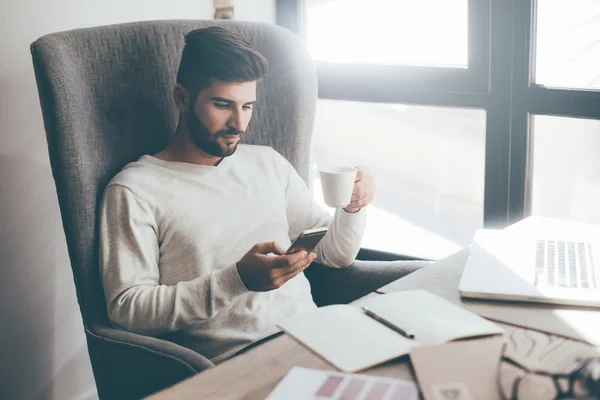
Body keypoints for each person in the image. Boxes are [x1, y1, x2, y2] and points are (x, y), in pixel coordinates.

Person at [99, 26, 376, 363]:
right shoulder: (135, 190)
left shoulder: (267, 162)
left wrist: (352, 208)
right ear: (181, 98)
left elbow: (335, 254)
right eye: (222, 105)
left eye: (247, 106)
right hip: (240, 361)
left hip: (318, 338)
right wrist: (236, 280)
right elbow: (127, 311)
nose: (238, 123)